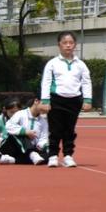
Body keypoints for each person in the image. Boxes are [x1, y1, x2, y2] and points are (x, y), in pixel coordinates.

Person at [41, 31, 92, 167]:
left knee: (69, 129)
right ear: (59, 45)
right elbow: (46, 82)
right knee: (55, 129)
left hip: (74, 100)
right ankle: (53, 155)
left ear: (75, 45)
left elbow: (86, 82)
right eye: (65, 43)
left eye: (71, 43)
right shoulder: (52, 63)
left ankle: (68, 155)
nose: (68, 45)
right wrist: (45, 101)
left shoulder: (80, 64)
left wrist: (87, 100)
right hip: (56, 99)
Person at [4, 97, 50, 166]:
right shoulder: (20, 114)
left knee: (50, 155)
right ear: (36, 101)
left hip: (30, 150)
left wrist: (42, 146)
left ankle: (13, 160)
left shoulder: (43, 122)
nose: (48, 107)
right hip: (12, 146)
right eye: (46, 103)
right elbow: (9, 126)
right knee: (20, 135)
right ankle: (32, 154)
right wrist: (25, 132)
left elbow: (43, 138)